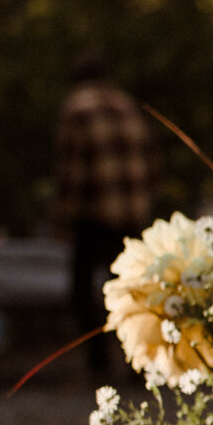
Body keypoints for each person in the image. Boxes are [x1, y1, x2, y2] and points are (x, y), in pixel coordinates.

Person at [53, 52, 157, 376]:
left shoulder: (77, 108)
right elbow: (152, 162)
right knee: (129, 289)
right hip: (133, 212)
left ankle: (99, 363)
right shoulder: (127, 105)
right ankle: (134, 362)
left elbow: (72, 171)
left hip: (94, 213)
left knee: (82, 291)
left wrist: (63, 216)